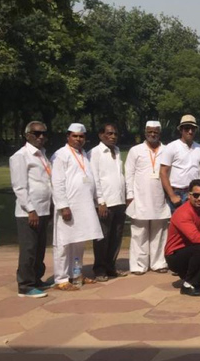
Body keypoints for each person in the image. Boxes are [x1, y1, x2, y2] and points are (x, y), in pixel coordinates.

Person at [51, 123, 103, 290]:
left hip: (84, 206)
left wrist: (97, 200)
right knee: (64, 243)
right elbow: (57, 182)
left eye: (81, 136)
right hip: (68, 207)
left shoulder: (83, 155)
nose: (78, 139)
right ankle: (61, 279)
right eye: (75, 136)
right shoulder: (61, 155)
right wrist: (63, 206)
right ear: (68, 137)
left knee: (79, 242)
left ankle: (76, 274)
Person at [10, 121, 53, 298]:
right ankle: (25, 285)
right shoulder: (21, 156)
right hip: (29, 212)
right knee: (29, 249)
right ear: (27, 135)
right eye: (36, 133)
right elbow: (19, 186)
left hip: (44, 209)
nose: (40, 136)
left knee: (39, 248)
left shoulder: (42, 154)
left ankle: (36, 278)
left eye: (43, 133)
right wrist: (30, 210)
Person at [125, 121, 170, 275]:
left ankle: (158, 263)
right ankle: (139, 265)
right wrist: (130, 195)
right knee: (139, 233)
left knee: (159, 233)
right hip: (140, 197)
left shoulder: (166, 150)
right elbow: (129, 173)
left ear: (160, 133)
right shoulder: (135, 150)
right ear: (145, 132)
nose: (152, 134)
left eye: (155, 132)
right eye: (149, 132)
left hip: (160, 198)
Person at [90, 123, 128, 282]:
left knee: (116, 236)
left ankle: (110, 266)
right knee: (102, 238)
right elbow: (95, 178)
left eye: (115, 134)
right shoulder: (95, 153)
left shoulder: (117, 151)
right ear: (101, 135)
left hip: (119, 200)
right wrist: (101, 202)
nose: (113, 137)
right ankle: (99, 269)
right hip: (105, 202)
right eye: (109, 134)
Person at [158, 114, 200, 213]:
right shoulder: (171, 147)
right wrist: (172, 195)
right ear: (181, 130)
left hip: (193, 193)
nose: (190, 131)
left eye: (193, 129)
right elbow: (163, 172)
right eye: (187, 128)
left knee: (192, 223)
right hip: (177, 192)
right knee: (177, 224)